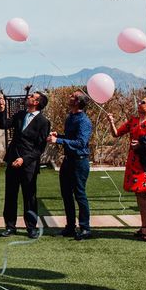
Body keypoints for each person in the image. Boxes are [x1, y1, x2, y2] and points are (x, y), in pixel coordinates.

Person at [0, 92, 51, 239]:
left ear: (37, 102)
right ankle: (10, 226)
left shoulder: (43, 122)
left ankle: (31, 228)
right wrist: (2, 109)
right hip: (12, 162)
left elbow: (39, 149)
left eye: (32, 97)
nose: (29, 97)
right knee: (10, 196)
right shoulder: (20, 114)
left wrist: (24, 159)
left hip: (29, 166)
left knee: (29, 197)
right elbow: (3, 124)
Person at [47, 90, 93, 240]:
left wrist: (59, 141)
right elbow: (70, 138)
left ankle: (85, 228)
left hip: (80, 161)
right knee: (66, 194)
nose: (69, 96)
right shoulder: (70, 118)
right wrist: (58, 136)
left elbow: (80, 143)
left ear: (78, 102)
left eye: (72, 96)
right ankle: (70, 226)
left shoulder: (84, 121)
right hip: (68, 161)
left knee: (79, 194)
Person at [107, 97, 146, 241]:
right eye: (140, 102)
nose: (140, 104)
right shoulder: (132, 120)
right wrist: (111, 122)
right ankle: (145, 225)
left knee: (143, 193)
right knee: (139, 194)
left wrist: (141, 145)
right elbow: (116, 134)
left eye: (143, 103)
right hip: (134, 162)